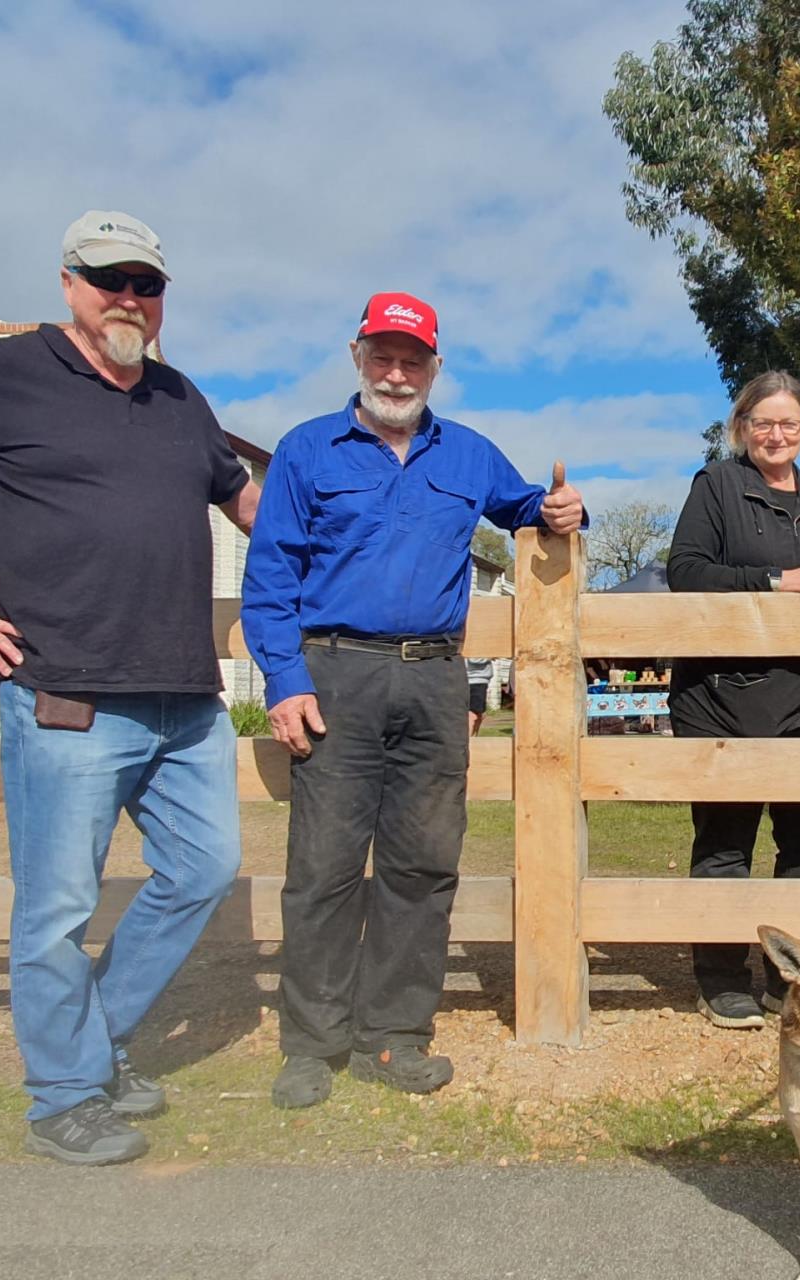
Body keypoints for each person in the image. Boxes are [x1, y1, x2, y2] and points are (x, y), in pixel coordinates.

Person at [0, 211, 258, 1165]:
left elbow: (251, 503)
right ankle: (65, 1095)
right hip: (63, 697)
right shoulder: (3, 372)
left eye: (147, 283)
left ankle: (90, 1042)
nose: (129, 296)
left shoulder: (177, 398)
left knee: (203, 870)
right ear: (69, 281)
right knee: (55, 909)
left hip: (184, 699)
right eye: (108, 277)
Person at [241, 292, 584, 1109]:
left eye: (414, 358)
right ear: (358, 357)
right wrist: (285, 682)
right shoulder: (306, 450)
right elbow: (270, 578)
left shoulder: (466, 454)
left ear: (435, 366)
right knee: (322, 867)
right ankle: (311, 1045)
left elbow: (528, 505)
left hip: (435, 680)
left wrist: (561, 508)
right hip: (336, 675)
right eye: (384, 356)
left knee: (422, 865)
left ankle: (393, 1039)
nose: (398, 372)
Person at [666, 371, 800, 1028]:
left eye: (790, 423)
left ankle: (790, 978)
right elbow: (684, 571)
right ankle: (720, 977)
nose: (776, 435)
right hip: (722, 698)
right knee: (724, 843)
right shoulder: (716, 486)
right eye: (763, 422)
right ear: (741, 427)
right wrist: (780, 579)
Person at [466, 655, 495, 736]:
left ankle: (473, 740)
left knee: (479, 714)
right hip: (475, 680)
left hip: (477, 680)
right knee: (472, 714)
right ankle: (468, 744)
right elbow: (474, 659)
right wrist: (491, 655)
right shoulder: (475, 643)